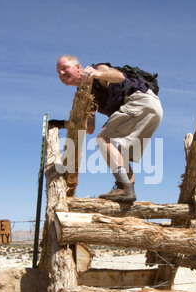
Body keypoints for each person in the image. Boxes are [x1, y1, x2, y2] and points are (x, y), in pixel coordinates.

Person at [50, 54, 163, 202]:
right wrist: (59, 123)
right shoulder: (85, 93)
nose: (61, 74)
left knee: (103, 140)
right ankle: (128, 192)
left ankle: (124, 187)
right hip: (153, 110)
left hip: (140, 100)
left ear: (78, 67)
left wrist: (98, 73)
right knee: (120, 153)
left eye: (64, 68)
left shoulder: (97, 70)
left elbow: (119, 76)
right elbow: (89, 127)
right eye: (58, 72)